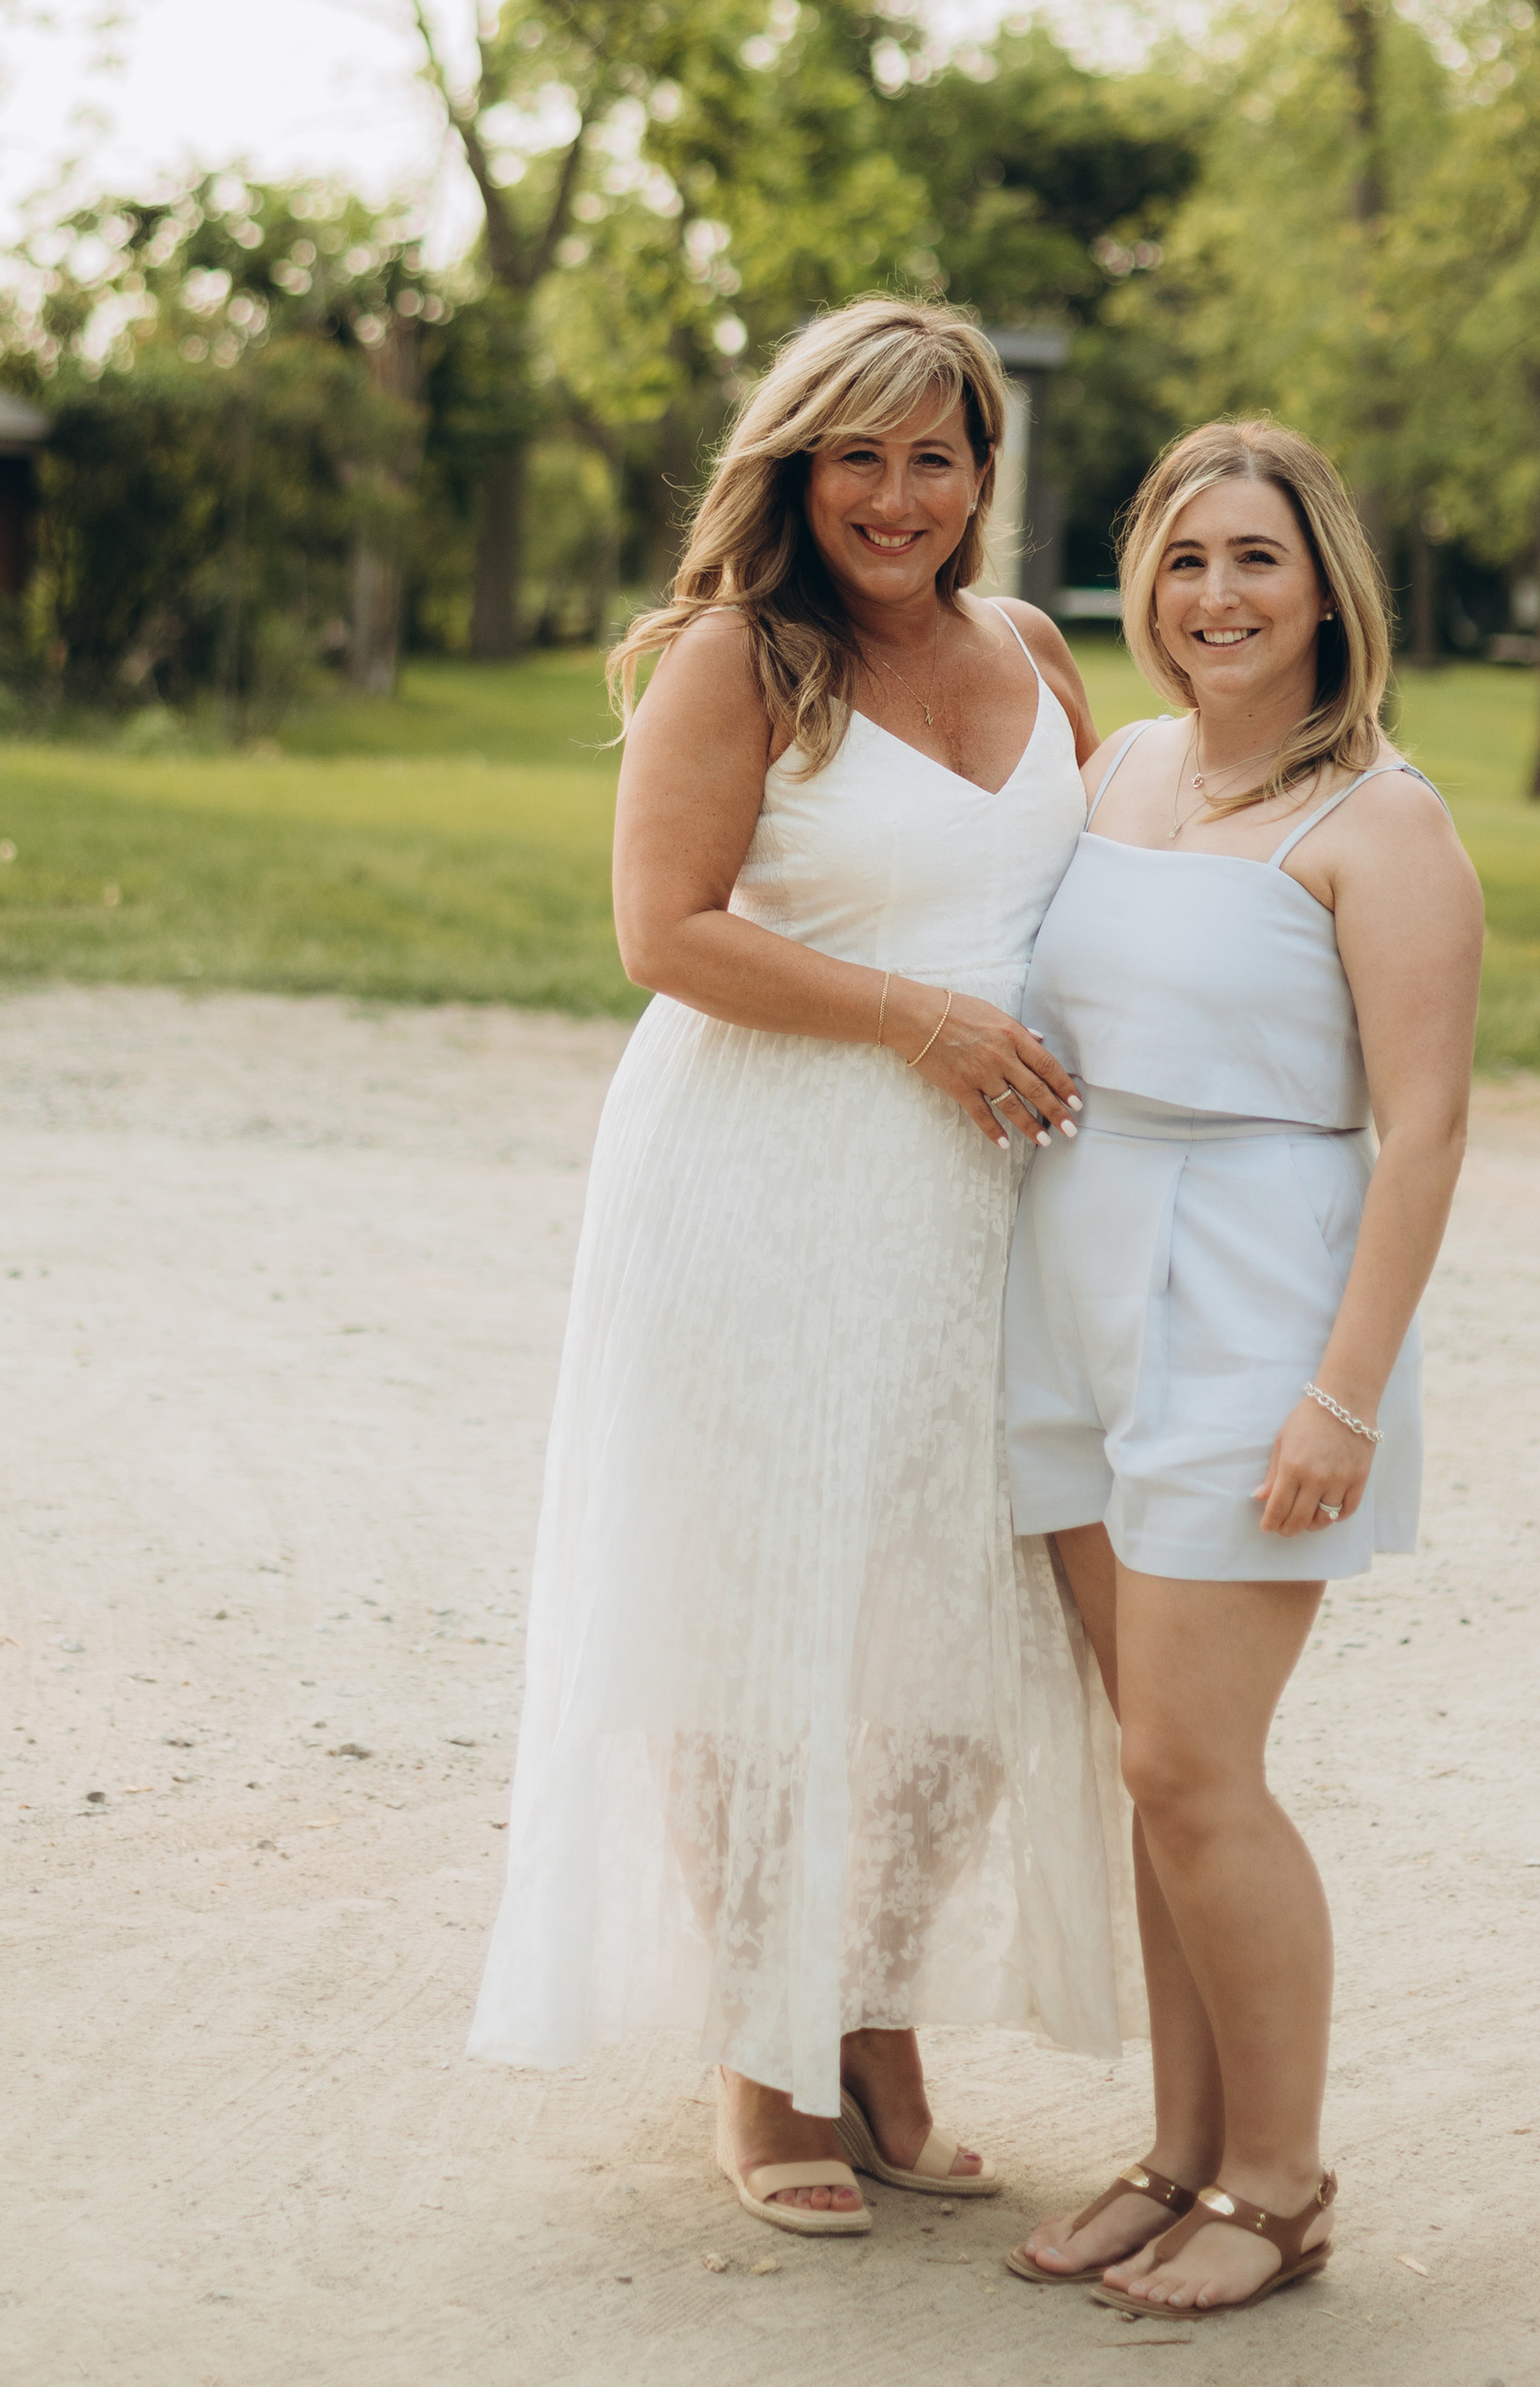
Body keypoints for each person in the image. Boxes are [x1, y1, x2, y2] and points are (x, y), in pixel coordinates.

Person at [469, 299, 1132, 2237]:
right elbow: (661, 929)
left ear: (981, 480)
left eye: (935, 456)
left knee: (954, 1640)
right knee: (760, 1628)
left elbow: (1093, 892)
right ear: (790, 467)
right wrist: (918, 1022)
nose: (896, 495)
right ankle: (761, 2062)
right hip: (761, 1183)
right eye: (857, 454)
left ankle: (871, 2014)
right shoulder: (735, 662)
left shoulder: (1026, 653)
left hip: (983, 1214)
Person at [1002, 418, 1481, 2316]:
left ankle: (1278, 2185)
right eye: (1184, 557)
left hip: (1253, 1306)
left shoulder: (1379, 820)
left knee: (1199, 1767)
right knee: (1150, 1771)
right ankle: (1176, 2154)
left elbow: (1426, 1129)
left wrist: (1339, 1393)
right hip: (1074, 1294)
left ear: (1322, 589)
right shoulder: (1111, 770)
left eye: (1255, 560)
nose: (1215, 595)